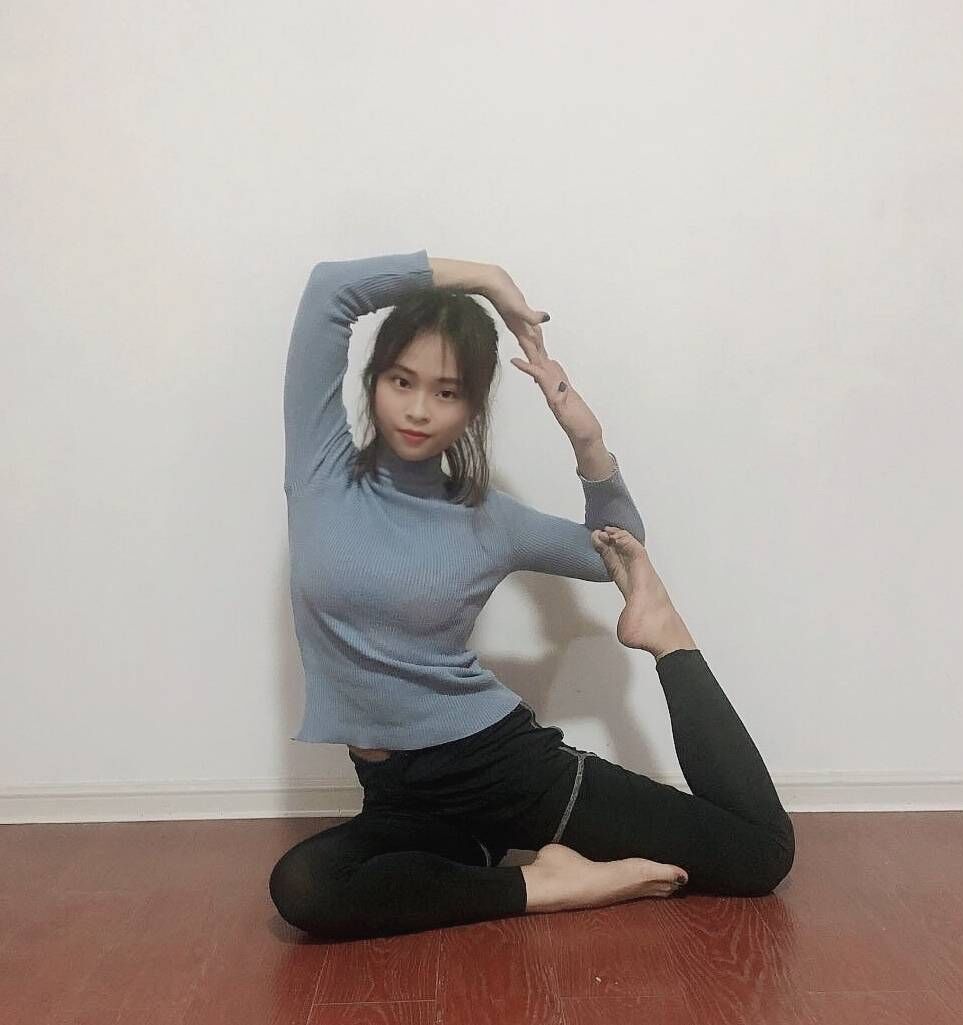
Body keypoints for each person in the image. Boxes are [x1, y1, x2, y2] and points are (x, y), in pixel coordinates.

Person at [267, 250, 794, 940]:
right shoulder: (320, 469)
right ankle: (543, 885)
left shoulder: (488, 520)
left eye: (447, 392)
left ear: (472, 408)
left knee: (759, 854)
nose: (418, 409)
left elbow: (618, 552)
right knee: (304, 887)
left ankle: (670, 637)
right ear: (373, 380)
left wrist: (588, 441)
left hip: (500, 768)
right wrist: (487, 278)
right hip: (398, 796)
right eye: (402, 381)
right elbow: (330, 289)